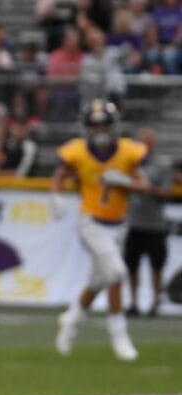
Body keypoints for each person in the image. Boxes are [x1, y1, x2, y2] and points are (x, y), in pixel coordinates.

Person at [52, 100, 148, 361]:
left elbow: (144, 184)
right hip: (91, 222)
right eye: (94, 126)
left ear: (114, 125)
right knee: (116, 272)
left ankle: (71, 319)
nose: (99, 130)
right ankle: (119, 333)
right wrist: (58, 198)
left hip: (119, 224)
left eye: (104, 124)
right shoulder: (78, 152)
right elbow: (60, 176)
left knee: (98, 280)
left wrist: (125, 181)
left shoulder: (127, 151)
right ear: (87, 128)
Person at [124, 127, 175, 317]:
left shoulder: (162, 165)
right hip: (134, 223)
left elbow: (167, 193)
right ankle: (133, 302)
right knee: (132, 266)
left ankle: (155, 303)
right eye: (142, 141)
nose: (145, 145)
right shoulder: (129, 164)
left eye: (148, 141)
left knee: (156, 266)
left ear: (153, 144)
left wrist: (148, 190)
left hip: (155, 225)